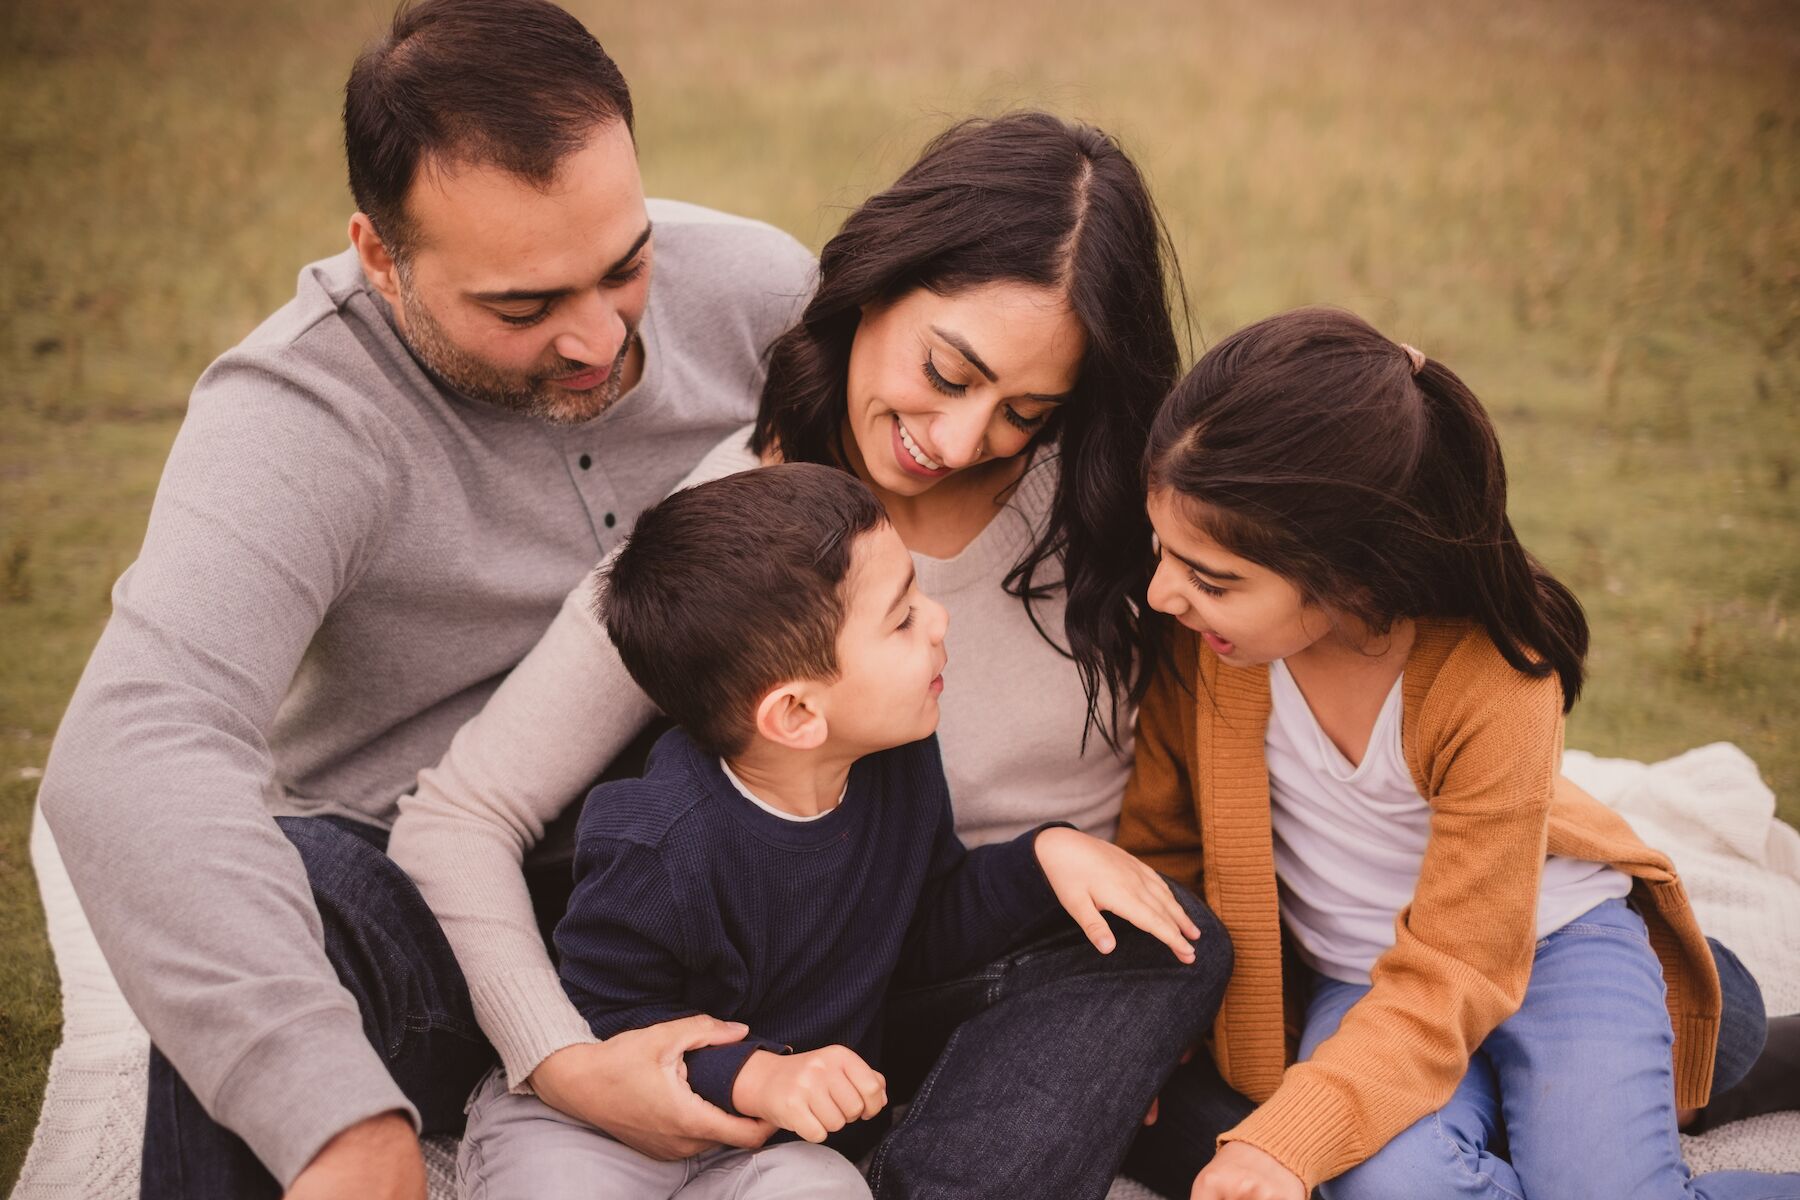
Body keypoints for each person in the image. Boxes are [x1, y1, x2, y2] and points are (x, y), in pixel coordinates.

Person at [34, 0, 817, 1195]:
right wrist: (334, 1116)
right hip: (421, 897)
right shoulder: (295, 414)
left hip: (726, 868)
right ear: (380, 256)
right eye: (523, 307)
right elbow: (136, 742)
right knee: (282, 908)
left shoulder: (760, 289)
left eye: (626, 264)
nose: (600, 339)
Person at [389, 110, 1235, 1198]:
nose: (964, 438)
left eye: (1025, 408)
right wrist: (566, 1063)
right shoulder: (744, 533)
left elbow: (1245, 734)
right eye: (946, 369)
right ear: (878, 283)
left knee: (1195, 988)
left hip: (1011, 981)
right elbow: (462, 814)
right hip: (792, 1029)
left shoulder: (1115, 508)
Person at [1116, 307, 1800, 1200]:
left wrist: (1286, 1140)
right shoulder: (1207, 651)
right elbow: (1162, 853)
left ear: (1353, 573)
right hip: (1366, 985)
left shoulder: (1493, 680)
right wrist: (1141, 1026)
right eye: (1163, 549)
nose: (1165, 592)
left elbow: (1460, 965)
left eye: (1213, 579)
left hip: (1551, 950)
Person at [455, 463, 1212, 1197]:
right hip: (603, 1132)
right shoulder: (656, 842)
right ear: (796, 714)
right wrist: (759, 1075)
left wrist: (1045, 856)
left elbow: (923, 925)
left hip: (767, 1150)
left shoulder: (898, 761)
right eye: (904, 617)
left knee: (826, 1188)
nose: (940, 619)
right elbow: (607, 1021)